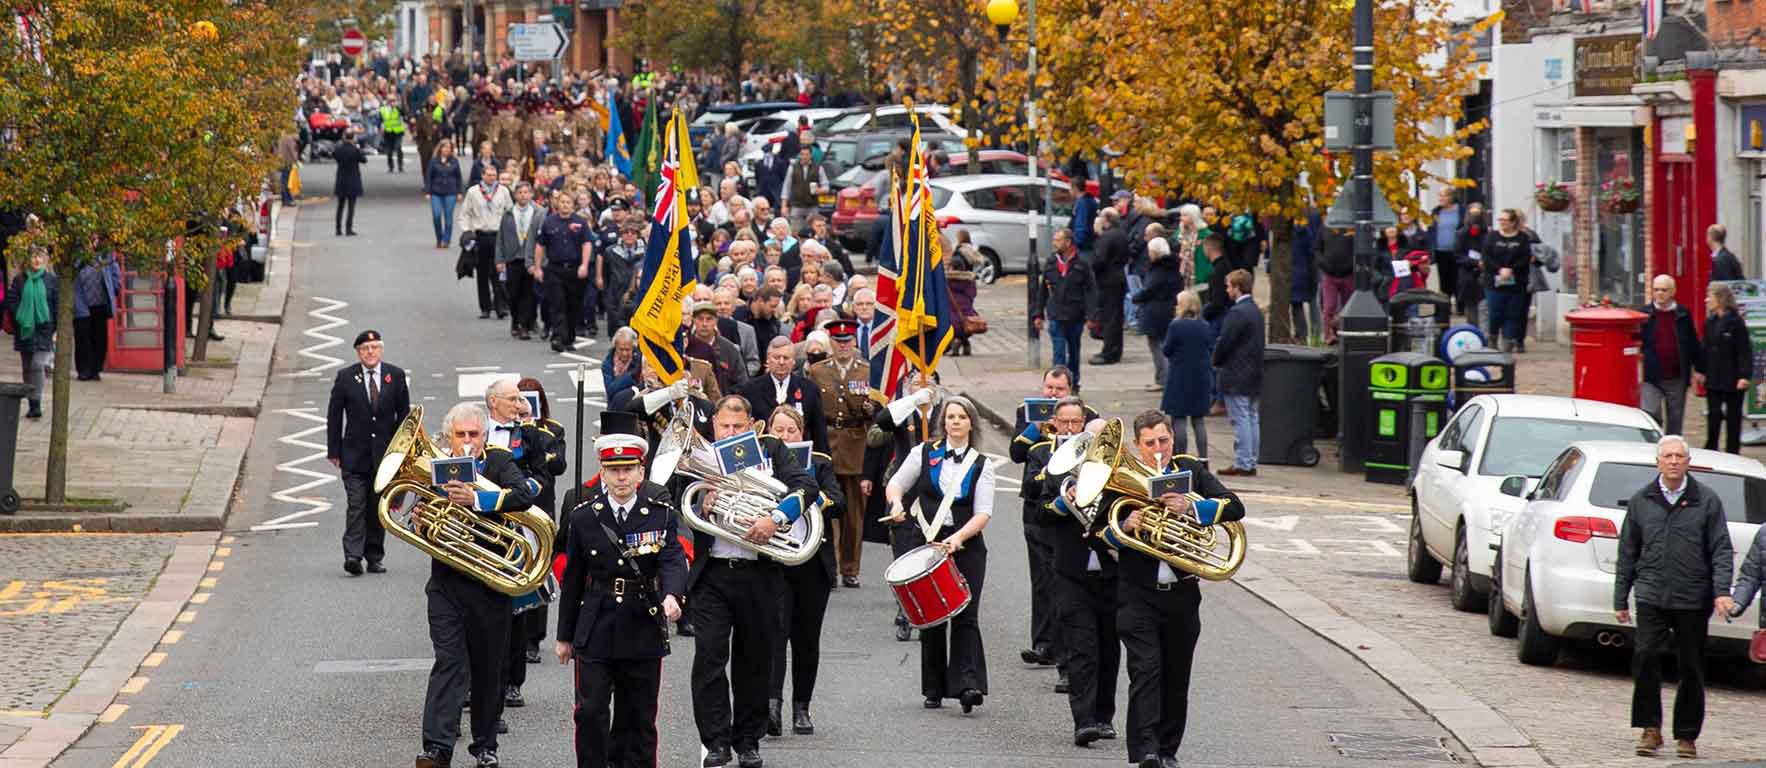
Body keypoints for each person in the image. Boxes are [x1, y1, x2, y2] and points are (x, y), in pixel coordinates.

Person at [1095, 411, 1246, 768]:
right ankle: (1146, 750)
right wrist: (1127, 526)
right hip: (1137, 594)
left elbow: (1234, 505)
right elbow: (1097, 531)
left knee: (1177, 676)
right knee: (1146, 670)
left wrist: (1193, 506)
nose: (1158, 449)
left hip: (1181, 595)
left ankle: (1167, 750)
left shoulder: (1190, 470)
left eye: (1163, 441)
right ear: (1137, 445)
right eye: (1150, 443)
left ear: (1172, 441)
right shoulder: (1119, 482)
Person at [687, 395, 817, 768]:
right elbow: (676, 500)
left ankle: (748, 741)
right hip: (712, 572)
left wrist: (776, 517)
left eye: (738, 427)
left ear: (752, 427)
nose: (730, 433)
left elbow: (806, 487)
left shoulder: (771, 450)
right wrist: (701, 505)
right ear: (713, 426)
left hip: (760, 574)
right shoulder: (701, 457)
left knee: (755, 661)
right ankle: (716, 740)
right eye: (724, 427)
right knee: (709, 658)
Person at [554, 413, 687, 768]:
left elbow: (672, 558)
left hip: (642, 621)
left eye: (628, 469)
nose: (622, 477)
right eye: (614, 470)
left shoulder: (658, 512)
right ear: (604, 472)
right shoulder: (584, 516)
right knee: (590, 713)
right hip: (595, 624)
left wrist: (673, 595)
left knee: (639, 718)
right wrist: (564, 636)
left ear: (641, 472)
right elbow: (573, 579)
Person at [413, 402, 539, 768]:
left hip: (489, 584)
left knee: (488, 668)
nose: (467, 442)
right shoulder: (435, 467)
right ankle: (436, 747)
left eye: (474, 434)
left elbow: (525, 494)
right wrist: (421, 520)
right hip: (447, 584)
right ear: (449, 437)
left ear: (484, 436)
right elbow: (420, 518)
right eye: (460, 435)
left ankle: (485, 745)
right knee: (449, 662)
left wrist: (479, 499)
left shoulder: (498, 463)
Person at [1614, 435, 1735, 760]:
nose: (1673, 461)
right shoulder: (1643, 500)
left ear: (1688, 462)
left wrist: (1722, 590)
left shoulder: (1706, 501)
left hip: (1691, 597)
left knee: (1692, 667)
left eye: (1679, 456)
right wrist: (1620, 599)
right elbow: (1628, 551)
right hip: (1652, 593)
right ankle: (1649, 728)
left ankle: (1686, 735)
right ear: (1658, 462)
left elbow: (1721, 548)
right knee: (1646, 657)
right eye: (1667, 456)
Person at [883, 396, 996, 713]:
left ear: (971, 423)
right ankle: (933, 686)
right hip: (927, 543)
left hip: (966, 545)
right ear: (943, 422)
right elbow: (896, 484)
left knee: (966, 613)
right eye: (950, 417)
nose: (955, 422)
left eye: (961, 417)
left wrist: (958, 538)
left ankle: (968, 684)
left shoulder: (981, 464)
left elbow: (983, 513)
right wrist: (896, 505)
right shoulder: (924, 452)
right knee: (931, 615)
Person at [1041, 397, 1120, 747]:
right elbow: (1038, 515)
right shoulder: (1058, 471)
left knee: (1109, 648)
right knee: (1082, 647)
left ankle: (1104, 716)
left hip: (1112, 575)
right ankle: (1084, 720)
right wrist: (1061, 504)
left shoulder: (1121, 478)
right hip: (1071, 575)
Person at [1007, 366, 1093, 686]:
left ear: (1071, 389)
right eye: (1049, 387)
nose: (1052, 393)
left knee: (1065, 586)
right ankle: (1044, 643)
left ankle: (1066, 652)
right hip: (1038, 511)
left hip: (1074, 516)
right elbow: (1017, 453)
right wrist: (1035, 428)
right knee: (1042, 581)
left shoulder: (1086, 416)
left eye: (1059, 388)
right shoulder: (1027, 412)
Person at [763, 406, 841, 737]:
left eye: (790, 431)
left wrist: (806, 500)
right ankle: (772, 706)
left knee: (806, 640)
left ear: (801, 432)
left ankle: (802, 708)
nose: (784, 436)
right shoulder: (763, 466)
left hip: (812, 564)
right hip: (776, 562)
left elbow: (839, 502)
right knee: (775, 636)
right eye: (777, 430)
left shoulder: (819, 463)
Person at [324, 329, 412, 575]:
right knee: (356, 505)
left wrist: (401, 452)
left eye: (374, 348)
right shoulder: (345, 378)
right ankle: (353, 555)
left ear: (381, 350)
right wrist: (334, 450)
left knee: (377, 507)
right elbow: (334, 416)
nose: (370, 352)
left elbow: (404, 417)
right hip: (353, 455)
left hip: (384, 457)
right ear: (358, 352)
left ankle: (374, 556)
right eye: (365, 349)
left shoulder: (395, 376)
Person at [805, 319, 874, 588]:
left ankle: (850, 568)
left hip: (857, 447)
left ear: (854, 342)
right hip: (828, 446)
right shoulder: (818, 371)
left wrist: (870, 409)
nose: (843, 346)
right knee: (828, 509)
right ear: (830, 343)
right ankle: (830, 566)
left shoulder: (867, 370)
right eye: (838, 341)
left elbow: (877, 412)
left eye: (847, 341)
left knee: (854, 515)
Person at [1212, 270, 1263, 476]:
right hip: (1253, 372)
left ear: (1237, 287)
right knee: (1251, 417)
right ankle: (1250, 460)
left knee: (1241, 418)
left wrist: (1216, 360)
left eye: (1229, 286)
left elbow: (1225, 342)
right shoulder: (1255, 311)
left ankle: (1243, 462)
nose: (1227, 290)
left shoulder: (1237, 313)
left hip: (1236, 373)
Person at [738, 336, 828, 449]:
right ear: (767, 360)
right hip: (764, 456)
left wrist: (822, 463)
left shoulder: (810, 389)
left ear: (794, 361)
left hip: (798, 457)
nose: (781, 362)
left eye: (786, 358)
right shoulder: (750, 390)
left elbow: (819, 431)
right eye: (776, 357)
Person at [1695, 281, 1753, 454]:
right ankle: (1711, 447)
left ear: (1720, 299)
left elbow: (1744, 350)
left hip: (1733, 378)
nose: (1706, 300)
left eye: (1710, 297)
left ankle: (1732, 451)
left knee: (1733, 418)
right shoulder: (1710, 322)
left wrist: (1744, 376)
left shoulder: (1736, 322)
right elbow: (1704, 347)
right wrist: (1701, 370)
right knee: (1713, 415)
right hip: (1714, 377)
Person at [1639, 275, 1699, 436]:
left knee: (1675, 419)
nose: (1659, 293)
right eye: (1656, 289)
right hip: (1651, 376)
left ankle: (1673, 452)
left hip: (1677, 376)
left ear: (1672, 291)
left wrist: (1699, 369)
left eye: (1663, 290)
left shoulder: (1683, 314)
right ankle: (1652, 449)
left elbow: (1692, 342)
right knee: (1649, 414)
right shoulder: (1644, 314)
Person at [536, 187, 591, 353]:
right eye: (562, 202)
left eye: (568, 202)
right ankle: (558, 337)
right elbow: (540, 245)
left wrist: (584, 265)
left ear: (573, 205)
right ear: (557, 204)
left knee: (573, 305)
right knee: (557, 304)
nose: (565, 205)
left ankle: (569, 338)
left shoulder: (581, 223)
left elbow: (586, 244)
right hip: (555, 269)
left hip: (574, 269)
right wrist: (538, 267)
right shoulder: (549, 222)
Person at [457, 163, 514, 320]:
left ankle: (500, 306)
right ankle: (485, 307)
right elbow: (464, 214)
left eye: (494, 175)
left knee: (498, 271)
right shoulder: (473, 192)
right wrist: (467, 231)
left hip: (498, 235)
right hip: (480, 235)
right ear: (482, 176)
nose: (491, 178)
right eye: (488, 175)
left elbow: (510, 212)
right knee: (482, 273)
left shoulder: (503, 192)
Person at [1041, 229, 1095, 389]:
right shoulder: (1051, 263)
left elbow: (1091, 290)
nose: (1054, 243)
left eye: (1058, 240)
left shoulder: (1082, 264)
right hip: (1056, 314)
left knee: (1074, 350)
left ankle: (1074, 383)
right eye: (1054, 239)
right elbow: (1042, 290)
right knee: (1058, 351)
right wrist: (1037, 314)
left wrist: (1091, 315)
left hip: (1075, 314)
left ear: (1068, 242)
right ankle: (1057, 385)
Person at [6, 250, 56, 419]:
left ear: (44, 260)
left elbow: (55, 305)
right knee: (27, 368)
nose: (36, 259)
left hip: (44, 329)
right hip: (25, 329)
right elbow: (11, 302)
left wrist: (52, 327)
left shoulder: (51, 280)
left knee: (38, 365)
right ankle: (32, 404)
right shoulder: (19, 280)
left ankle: (37, 402)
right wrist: (21, 316)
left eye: (39, 256)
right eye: (33, 256)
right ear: (28, 260)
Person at [1162, 291, 1212, 459]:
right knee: (1198, 420)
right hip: (1201, 377)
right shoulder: (1204, 325)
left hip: (1180, 377)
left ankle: (1180, 458)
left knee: (1179, 419)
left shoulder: (1176, 325)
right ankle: (1203, 458)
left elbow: (1166, 349)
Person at [497, 181, 545, 339]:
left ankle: (525, 325)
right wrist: (500, 259)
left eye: (526, 192)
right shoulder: (509, 213)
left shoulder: (539, 212)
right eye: (520, 193)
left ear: (531, 194)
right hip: (513, 258)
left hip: (530, 258)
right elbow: (501, 237)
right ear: (515, 195)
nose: (523, 195)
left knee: (529, 293)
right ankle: (515, 320)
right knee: (513, 293)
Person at [1133, 236, 1180, 392]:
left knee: (1158, 348)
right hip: (1167, 309)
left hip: (1156, 312)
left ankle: (1163, 379)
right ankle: (1163, 378)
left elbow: (1150, 290)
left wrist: (1136, 297)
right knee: (1161, 346)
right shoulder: (1172, 267)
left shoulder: (1158, 270)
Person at [1482, 208, 1532, 352]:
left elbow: (1525, 257)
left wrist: (1511, 269)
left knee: (1513, 313)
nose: (1502, 223)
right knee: (1495, 311)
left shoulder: (1522, 238)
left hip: (1516, 283)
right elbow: (1486, 256)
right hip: (1494, 282)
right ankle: (1492, 338)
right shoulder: (1492, 236)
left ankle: (1508, 342)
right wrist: (1499, 269)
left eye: (1505, 220)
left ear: (1513, 222)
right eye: (1500, 220)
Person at [72, 251, 119, 382]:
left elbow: (115, 272)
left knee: (99, 338)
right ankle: (83, 369)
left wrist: (115, 287)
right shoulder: (76, 254)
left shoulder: (106, 254)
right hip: (81, 301)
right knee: (82, 337)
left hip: (101, 302)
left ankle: (96, 369)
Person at [1092, 208, 1130, 365]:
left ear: (1106, 219)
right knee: (1116, 316)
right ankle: (1116, 349)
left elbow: (1099, 260)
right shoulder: (1122, 234)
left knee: (1109, 316)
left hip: (1107, 280)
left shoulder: (1106, 237)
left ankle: (1108, 352)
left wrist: (1092, 270)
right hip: (1119, 277)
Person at [1315, 226, 1354, 343]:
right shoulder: (1324, 228)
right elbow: (1317, 248)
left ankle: (1346, 335)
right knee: (1329, 306)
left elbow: (1358, 248)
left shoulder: (1351, 229)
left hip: (1348, 274)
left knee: (1348, 307)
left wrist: (1351, 265)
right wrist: (1323, 263)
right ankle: (1328, 336)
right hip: (1329, 274)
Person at [1429, 188, 1464, 314]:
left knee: (1458, 279)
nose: (1441, 199)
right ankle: (1445, 306)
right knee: (1444, 280)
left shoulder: (1461, 211)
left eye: (1443, 196)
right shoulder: (1437, 212)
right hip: (1440, 251)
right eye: (1440, 196)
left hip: (1457, 251)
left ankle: (1461, 307)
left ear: (1452, 197)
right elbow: (1431, 230)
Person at [426, 138, 464, 250]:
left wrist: (460, 192)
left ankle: (446, 240)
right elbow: (428, 177)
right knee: (436, 215)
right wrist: (428, 191)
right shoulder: (434, 161)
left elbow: (459, 177)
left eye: (449, 148)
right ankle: (439, 238)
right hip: (436, 192)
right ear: (440, 148)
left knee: (448, 217)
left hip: (450, 191)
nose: (447, 150)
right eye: (445, 147)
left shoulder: (454, 161)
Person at [332, 130, 368, 236]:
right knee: (351, 207)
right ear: (353, 138)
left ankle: (338, 228)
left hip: (341, 179)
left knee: (340, 206)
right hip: (353, 180)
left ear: (344, 137)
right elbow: (364, 159)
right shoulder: (355, 150)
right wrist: (358, 149)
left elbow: (334, 155)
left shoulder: (339, 149)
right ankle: (349, 228)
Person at [379, 98, 407, 173]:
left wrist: (398, 107)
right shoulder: (383, 109)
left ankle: (400, 166)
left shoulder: (398, 109)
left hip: (398, 132)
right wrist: (381, 127)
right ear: (388, 102)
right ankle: (391, 167)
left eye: (394, 101)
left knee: (398, 148)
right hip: (388, 132)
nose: (393, 103)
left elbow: (404, 114)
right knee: (389, 151)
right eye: (391, 101)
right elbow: (380, 120)